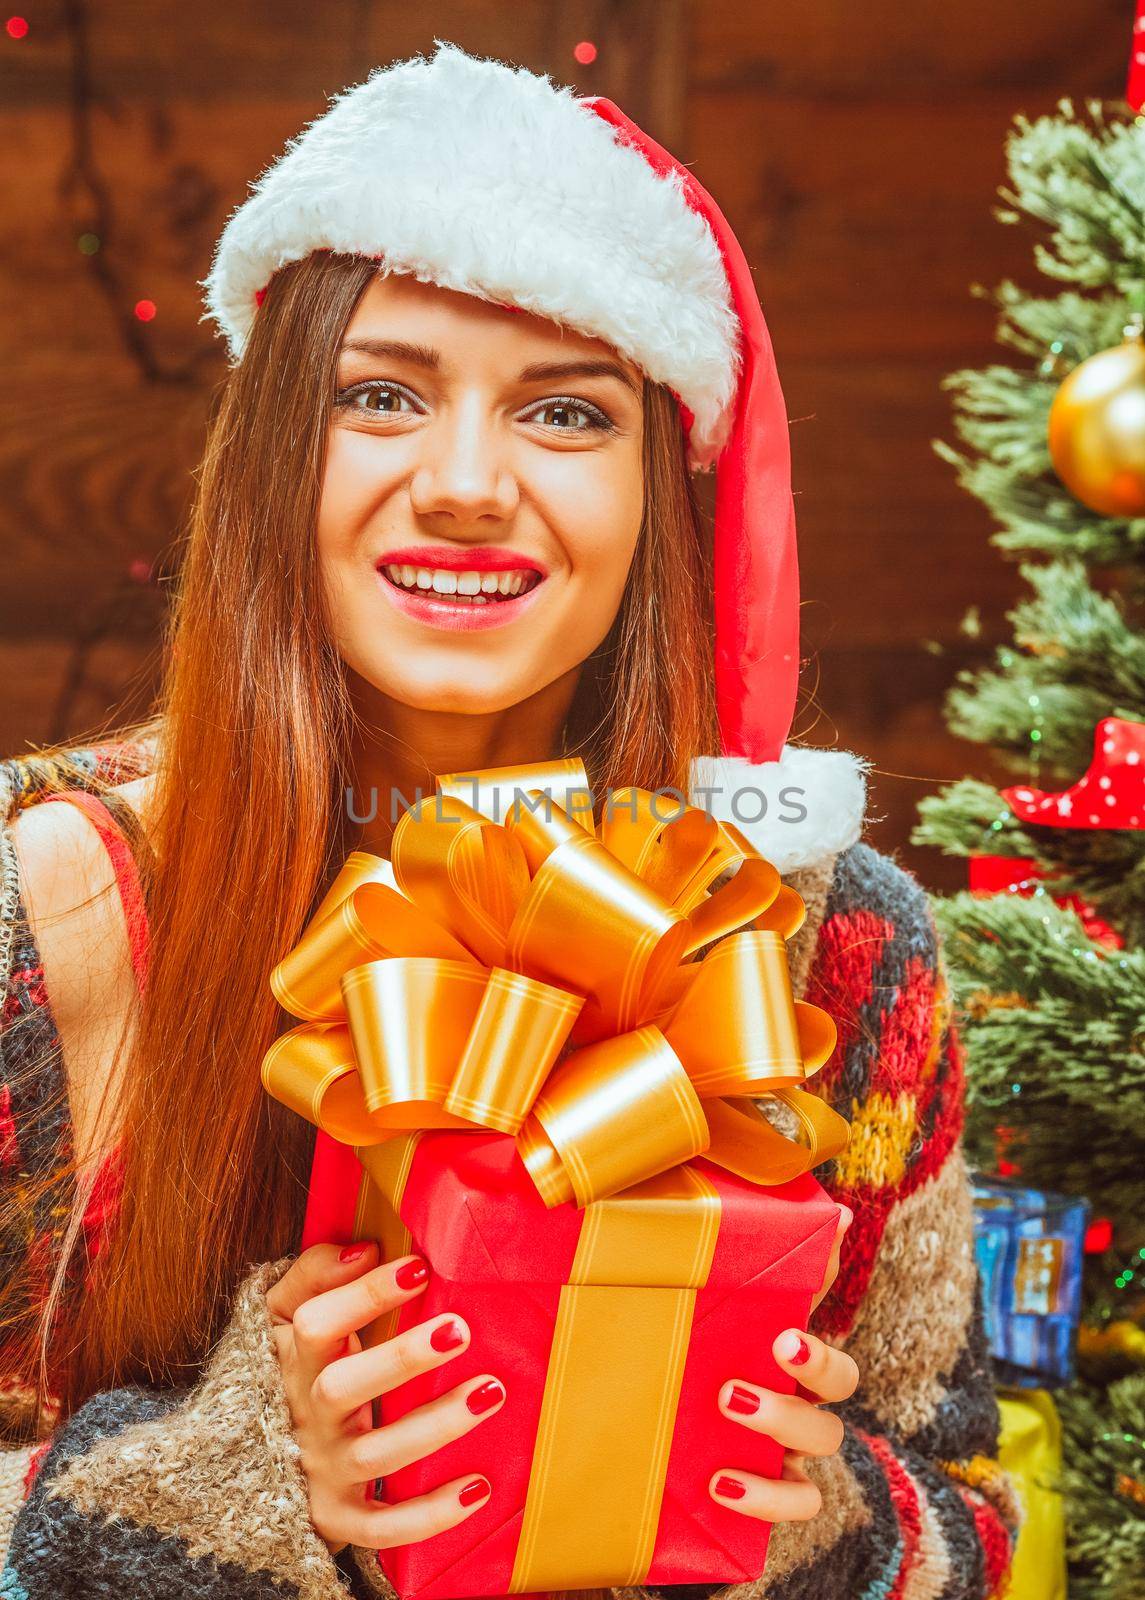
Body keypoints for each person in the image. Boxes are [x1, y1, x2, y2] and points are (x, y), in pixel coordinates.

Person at [0, 41, 1019, 1600]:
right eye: (383, 395)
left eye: (564, 414)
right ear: (277, 454)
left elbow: (968, 1514)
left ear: (657, 490)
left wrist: (822, 1523)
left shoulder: (825, 941)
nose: (467, 483)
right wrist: (206, 1489)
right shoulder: (44, 905)